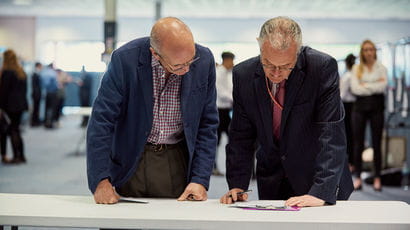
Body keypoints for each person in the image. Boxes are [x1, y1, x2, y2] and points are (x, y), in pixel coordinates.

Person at [220, 17, 353, 207]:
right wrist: (237, 185)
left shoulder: (321, 68)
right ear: (260, 48)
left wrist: (321, 191)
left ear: (298, 52)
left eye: (285, 66)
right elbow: (241, 136)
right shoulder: (244, 75)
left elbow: (331, 134)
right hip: (272, 177)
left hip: (316, 176)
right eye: (268, 63)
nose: (275, 73)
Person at [87, 17, 218, 204]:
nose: (187, 69)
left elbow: (208, 124)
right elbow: (102, 122)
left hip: (176, 158)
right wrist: (100, 180)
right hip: (131, 157)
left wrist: (200, 179)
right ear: (155, 54)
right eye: (178, 66)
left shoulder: (204, 60)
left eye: (190, 60)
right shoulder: (125, 60)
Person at [350, 40, 387, 192]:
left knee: (377, 143)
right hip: (359, 108)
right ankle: (358, 178)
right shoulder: (356, 68)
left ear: (374, 51)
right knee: (358, 144)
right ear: (362, 52)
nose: (369, 52)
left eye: (371, 49)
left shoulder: (381, 68)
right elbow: (355, 89)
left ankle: (377, 177)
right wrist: (373, 86)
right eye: (365, 49)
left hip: (377, 108)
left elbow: (383, 86)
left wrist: (365, 85)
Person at [0, 49, 28, 164]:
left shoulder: (7, 72)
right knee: (16, 129)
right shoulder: (21, 71)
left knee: (13, 130)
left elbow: (3, 92)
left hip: (10, 106)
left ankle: (16, 156)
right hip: (20, 105)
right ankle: (21, 155)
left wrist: (1, 107)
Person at [214, 51, 235, 176]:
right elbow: (221, 93)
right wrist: (235, 99)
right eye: (231, 61)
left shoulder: (228, 73)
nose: (232, 64)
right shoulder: (218, 73)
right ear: (226, 60)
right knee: (215, 141)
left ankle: (231, 167)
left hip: (226, 111)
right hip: (218, 111)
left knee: (232, 138)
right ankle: (213, 167)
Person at [340, 54, 356, 172]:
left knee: (349, 135)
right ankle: (351, 162)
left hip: (348, 107)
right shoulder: (354, 76)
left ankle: (351, 163)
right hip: (352, 106)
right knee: (352, 136)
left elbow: (342, 95)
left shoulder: (348, 76)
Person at [41, 63, 59, 129]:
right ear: (52, 67)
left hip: (47, 93)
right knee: (53, 109)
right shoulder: (53, 73)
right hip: (53, 93)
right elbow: (55, 84)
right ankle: (50, 123)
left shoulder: (44, 73)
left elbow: (43, 84)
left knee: (46, 108)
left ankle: (46, 123)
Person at [31, 62, 42, 127]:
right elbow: (35, 86)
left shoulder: (37, 74)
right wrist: (37, 94)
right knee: (35, 108)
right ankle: (34, 122)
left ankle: (36, 121)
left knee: (37, 108)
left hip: (37, 94)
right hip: (36, 94)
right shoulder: (35, 74)